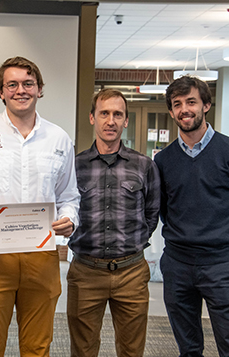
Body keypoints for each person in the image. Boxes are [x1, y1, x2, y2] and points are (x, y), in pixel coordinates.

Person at [0, 56, 80, 356]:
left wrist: (69, 219)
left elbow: (69, 196)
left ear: (39, 89)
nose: (20, 90)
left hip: (42, 255)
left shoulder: (59, 139)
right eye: (12, 84)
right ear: (1, 91)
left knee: (38, 346)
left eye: (28, 83)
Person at [154, 75, 229, 357]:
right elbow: (165, 209)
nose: (184, 109)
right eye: (177, 104)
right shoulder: (163, 161)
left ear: (206, 105)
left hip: (221, 266)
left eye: (191, 101)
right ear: (171, 111)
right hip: (178, 265)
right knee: (188, 349)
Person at [67, 89, 161, 356]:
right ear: (92, 118)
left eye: (118, 114)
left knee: (132, 350)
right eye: (104, 113)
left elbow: (151, 214)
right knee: (83, 350)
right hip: (86, 272)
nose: (111, 121)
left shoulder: (144, 166)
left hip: (131, 271)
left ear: (126, 120)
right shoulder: (75, 166)